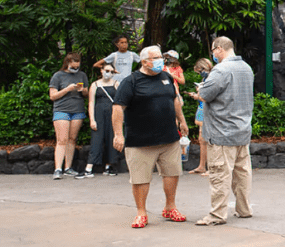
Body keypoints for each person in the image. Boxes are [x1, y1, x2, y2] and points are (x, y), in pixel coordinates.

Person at [112, 45, 190, 228]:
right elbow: (117, 108)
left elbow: (175, 100)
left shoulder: (167, 77)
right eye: (156, 58)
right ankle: (141, 213)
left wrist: (182, 121)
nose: (160, 61)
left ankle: (170, 207)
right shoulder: (130, 81)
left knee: (172, 173)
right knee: (140, 179)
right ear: (145, 61)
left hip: (169, 138)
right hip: (140, 141)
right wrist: (118, 134)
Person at [195, 37, 255, 226]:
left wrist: (200, 90)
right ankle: (244, 209)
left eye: (213, 50)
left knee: (220, 174)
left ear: (219, 49)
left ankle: (217, 215)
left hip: (222, 131)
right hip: (242, 129)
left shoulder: (220, 70)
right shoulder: (246, 68)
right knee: (242, 173)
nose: (212, 54)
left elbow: (204, 95)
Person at [48, 52, 89, 180]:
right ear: (67, 63)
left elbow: (87, 93)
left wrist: (83, 90)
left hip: (77, 110)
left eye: (77, 66)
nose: (76, 69)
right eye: (73, 66)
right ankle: (57, 168)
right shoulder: (58, 76)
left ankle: (68, 168)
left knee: (72, 139)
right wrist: (67, 89)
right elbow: (52, 96)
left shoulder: (82, 75)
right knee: (62, 139)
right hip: (61, 110)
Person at [81, 62, 122, 178]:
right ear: (101, 70)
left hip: (112, 113)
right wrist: (92, 119)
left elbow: (119, 102)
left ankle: (108, 166)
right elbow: (91, 103)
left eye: (111, 71)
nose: (108, 73)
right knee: (96, 139)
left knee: (111, 138)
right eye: (106, 70)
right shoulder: (95, 85)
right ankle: (89, 167)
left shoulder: (116, 84)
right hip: (99, 114)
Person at [186, 59, 214, 175]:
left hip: (209, 110)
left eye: (200, 71)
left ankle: (212, 168)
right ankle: (202, 166)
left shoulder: (213, 78)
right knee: (201, 139)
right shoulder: (205, 78)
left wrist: (199, 94)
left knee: (210, 140)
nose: (200, 73)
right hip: (202, 109)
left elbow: (209, 96)